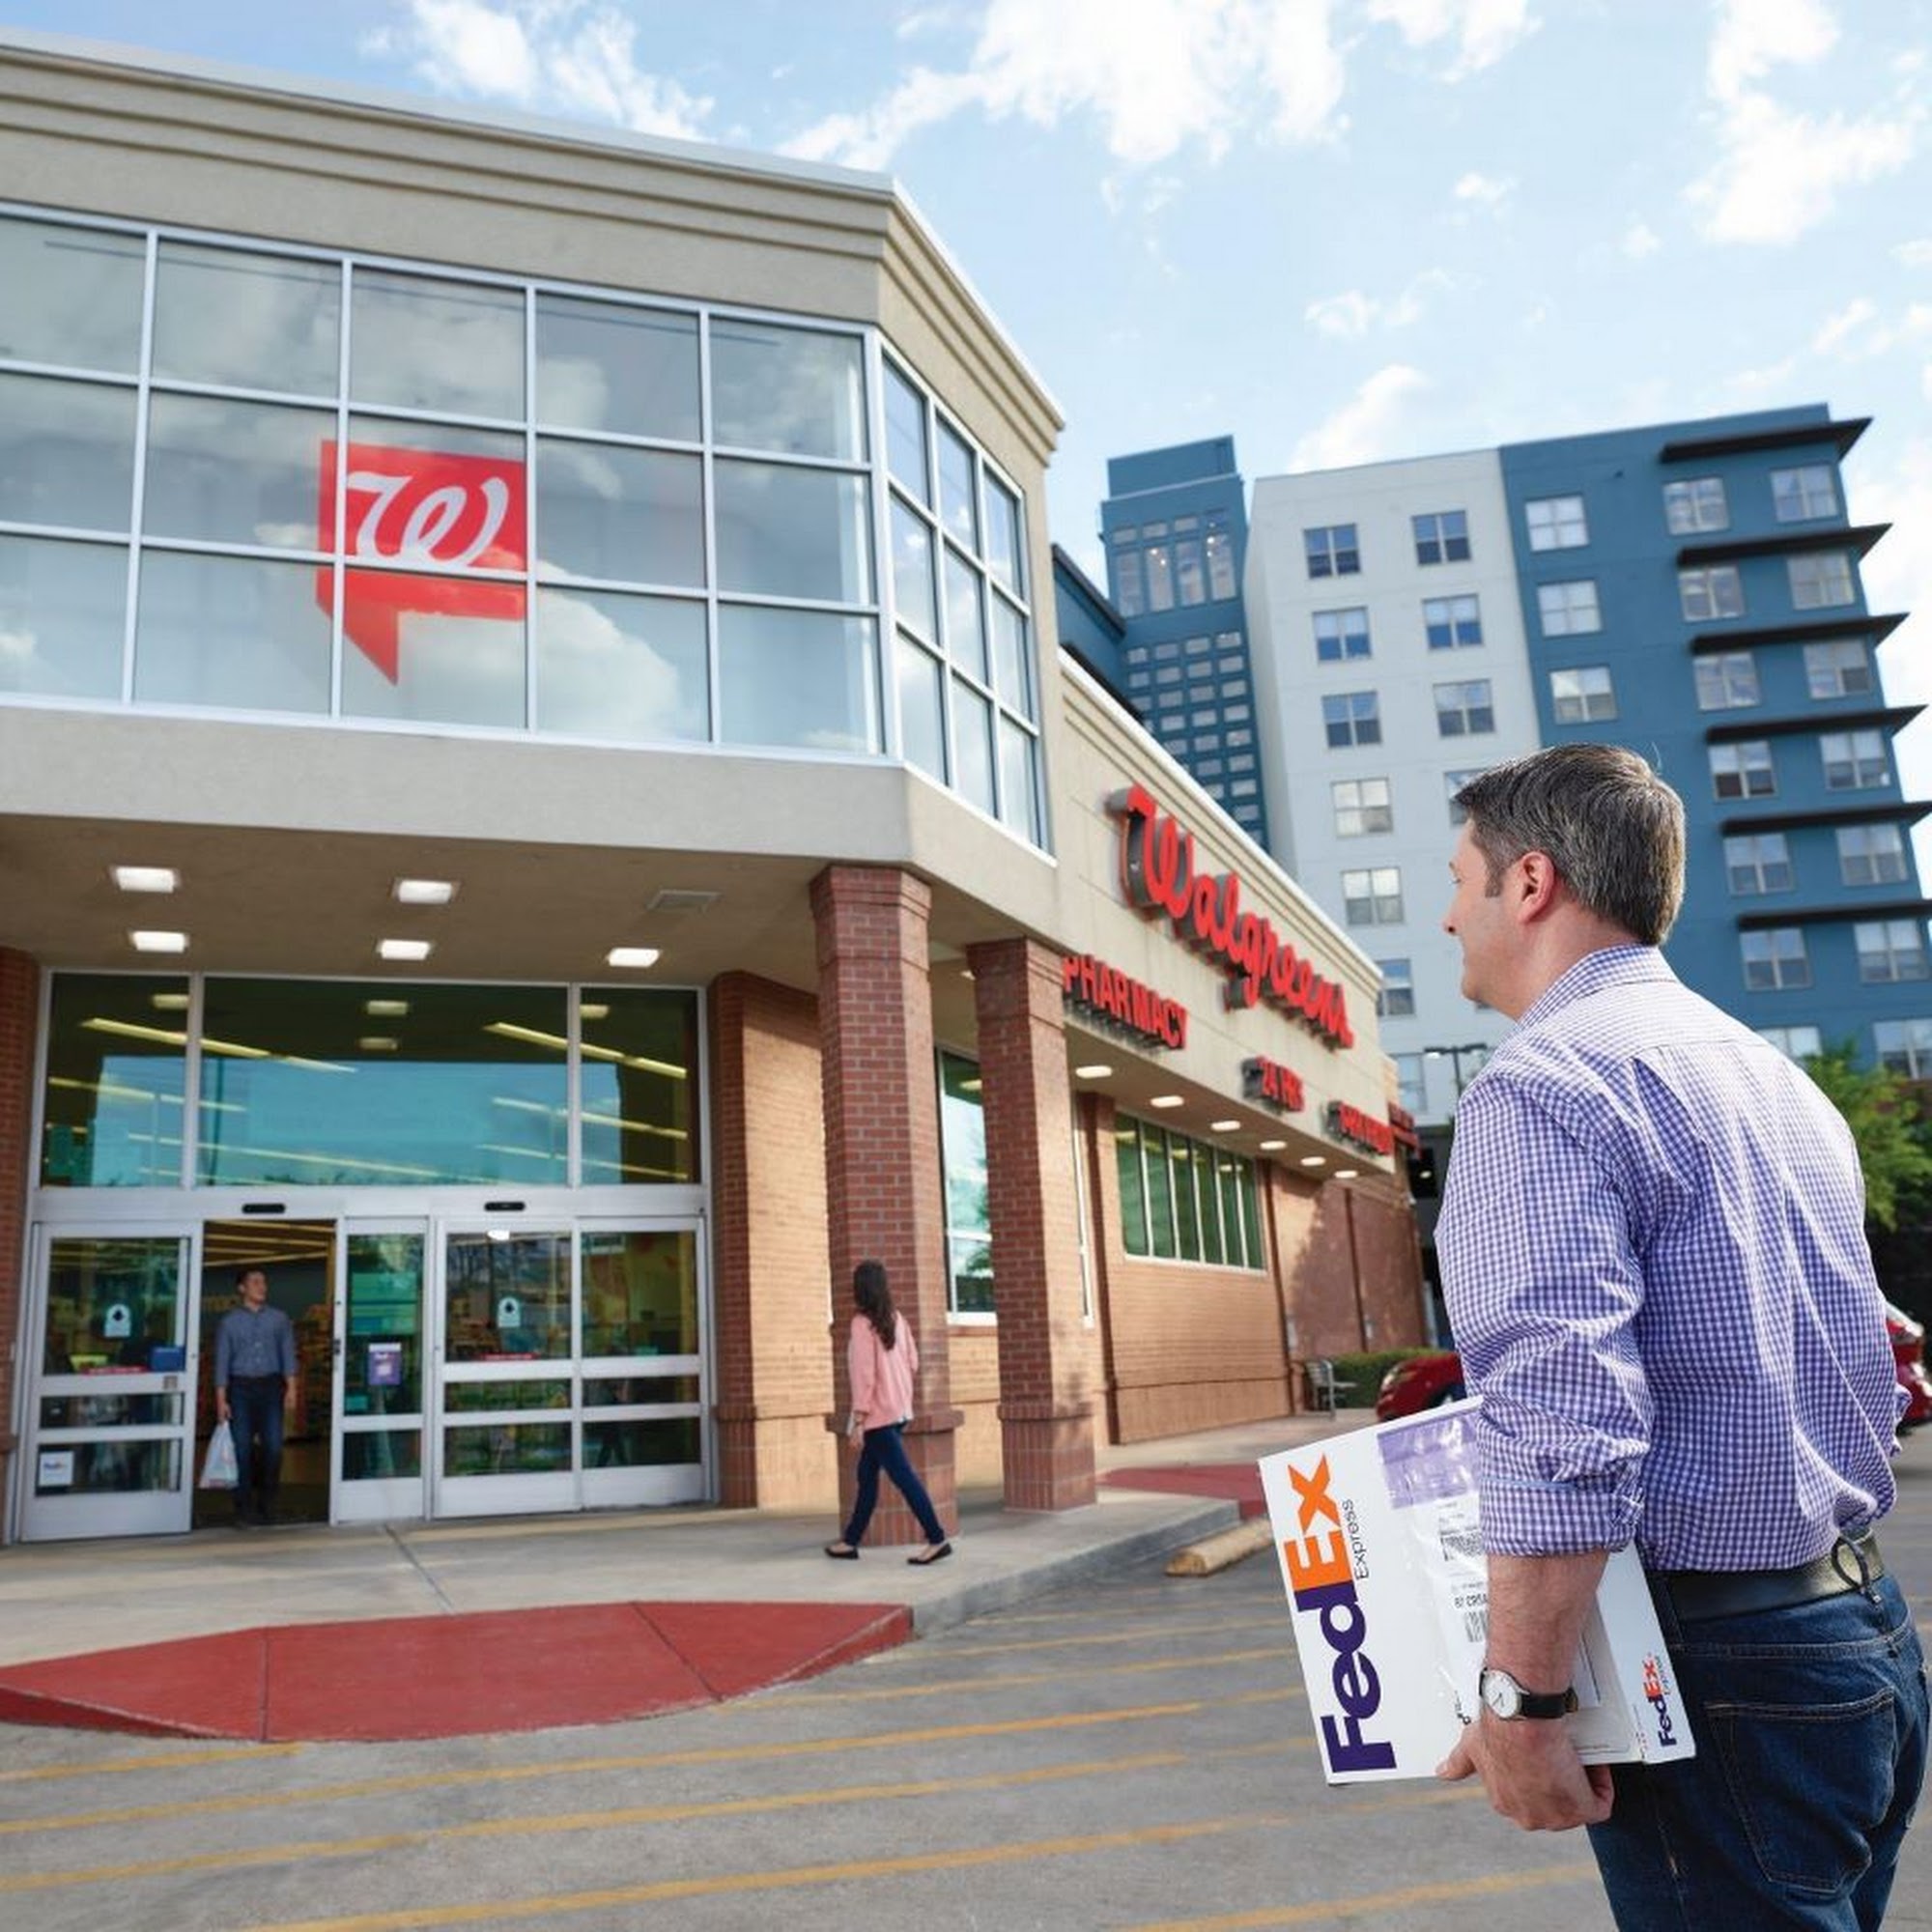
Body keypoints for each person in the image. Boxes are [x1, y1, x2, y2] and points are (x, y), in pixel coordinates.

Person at [1431, 743, 1926, 1929]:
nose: (1447, 917)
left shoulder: (1539, 1086)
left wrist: (1520, 1699)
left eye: (1456, 880)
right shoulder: (1771, 1076)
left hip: (1716, 1672)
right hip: (1857, 1630)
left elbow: (1561, 1421)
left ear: (1529, 881)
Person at [824, 1260, 952, 1565]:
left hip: (878, 1417)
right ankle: (850, 1541)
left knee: (904, 1477)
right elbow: (913, 1363)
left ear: (859, 1289)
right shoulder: (897, 1319)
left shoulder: (861, 1324)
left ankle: (937, 1539)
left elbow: (864, 1375)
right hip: (899, 1411)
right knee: (866, 1476)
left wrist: (858, 1420)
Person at [213, 1267, 298, 1527]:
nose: (262, 1286)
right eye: (255, 1282)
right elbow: (221, 1363)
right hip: (240, 1389)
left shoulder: (279, 1319)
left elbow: (288, 1355)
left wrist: (292, 1388)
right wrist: (221, 1400)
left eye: (263, 1282)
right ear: (242, 1288)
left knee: (274, 1447)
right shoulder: (229, 1323)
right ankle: (243, 1508)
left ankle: (268, 1504)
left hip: (271, 1387)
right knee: (242, 1449)